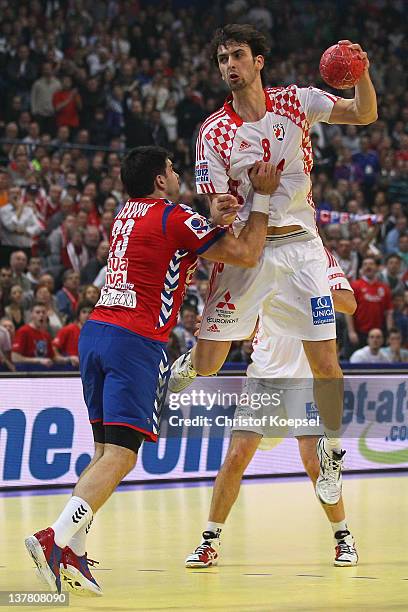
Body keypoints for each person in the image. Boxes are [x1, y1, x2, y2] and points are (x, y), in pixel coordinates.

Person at [24, 145, 281, 596]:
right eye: (172, 169)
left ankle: (74, 553)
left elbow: (172, 247)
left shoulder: (127, 213)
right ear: (161, 180)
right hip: (135, 340)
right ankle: (54, 538)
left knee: (105, 453)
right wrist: (260, 198)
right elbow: (245, 252)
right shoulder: (176, 216)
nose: (178, 173)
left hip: (96, 332)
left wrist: (211, 216)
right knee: (123, 457)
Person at [170, 24, 377, 506]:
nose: (229, 66)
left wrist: (361, 72)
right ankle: (189, 359)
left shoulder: (297, 101)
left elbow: (364, 113)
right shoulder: (213, 131)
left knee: (327, 365)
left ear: (258, 60)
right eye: (222, 59)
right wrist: (221, 208)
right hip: (249, 250)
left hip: (303, 248)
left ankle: (329, 452)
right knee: (209, 363)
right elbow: (217, 203)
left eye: (237, 56)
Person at [185, 250, 359, 569]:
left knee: (314, 462)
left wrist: (305, 289)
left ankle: (343, 538)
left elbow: (349, 303)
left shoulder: (320, 257)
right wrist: (216, 327)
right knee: (236, 457)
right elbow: (251, 323)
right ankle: (209, 541)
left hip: (306, 378)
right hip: (264, 377)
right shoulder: (257, 256)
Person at [346, 256, 393, 350]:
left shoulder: (384, 288)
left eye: (371, 264)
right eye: (365, 264)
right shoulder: (355, 286)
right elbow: (348, 311)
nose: (368, 266)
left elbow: (389, 313)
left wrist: (389, 333)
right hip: (359, 332)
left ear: (377, 267)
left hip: (378, 333)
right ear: (362, 269)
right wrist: (351, 331)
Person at [11, 303, 54, 367]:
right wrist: (38, 360)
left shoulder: (46, 335)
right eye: (37, 312)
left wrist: (68, 359)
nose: (41, 315)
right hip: (27, 373)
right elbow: (15, 358)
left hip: (43, 372)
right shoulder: (23, 331)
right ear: (31, 314)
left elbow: (53, 358)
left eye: (43, 312)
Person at [53, 301, 93, 367]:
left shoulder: (98, 333)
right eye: (84, 312)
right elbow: (53, 349)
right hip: (69, 370)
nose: (87, 315)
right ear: (78, 315)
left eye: (90, 312)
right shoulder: (67, 330)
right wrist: (66, 359)